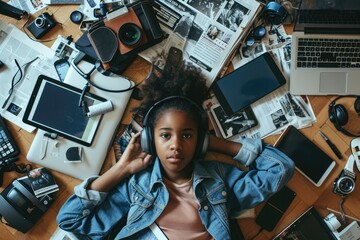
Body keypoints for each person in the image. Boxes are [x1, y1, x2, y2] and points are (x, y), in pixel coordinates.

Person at [56, 62, 295, 240]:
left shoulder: (218, 179)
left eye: (187, 135)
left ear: (199, 140)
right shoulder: (136, 185)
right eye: (165, 135)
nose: (176, 145)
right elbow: (70, 220)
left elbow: (279, 169)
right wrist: (122, 169)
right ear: (150, 140)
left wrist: (215, 143)